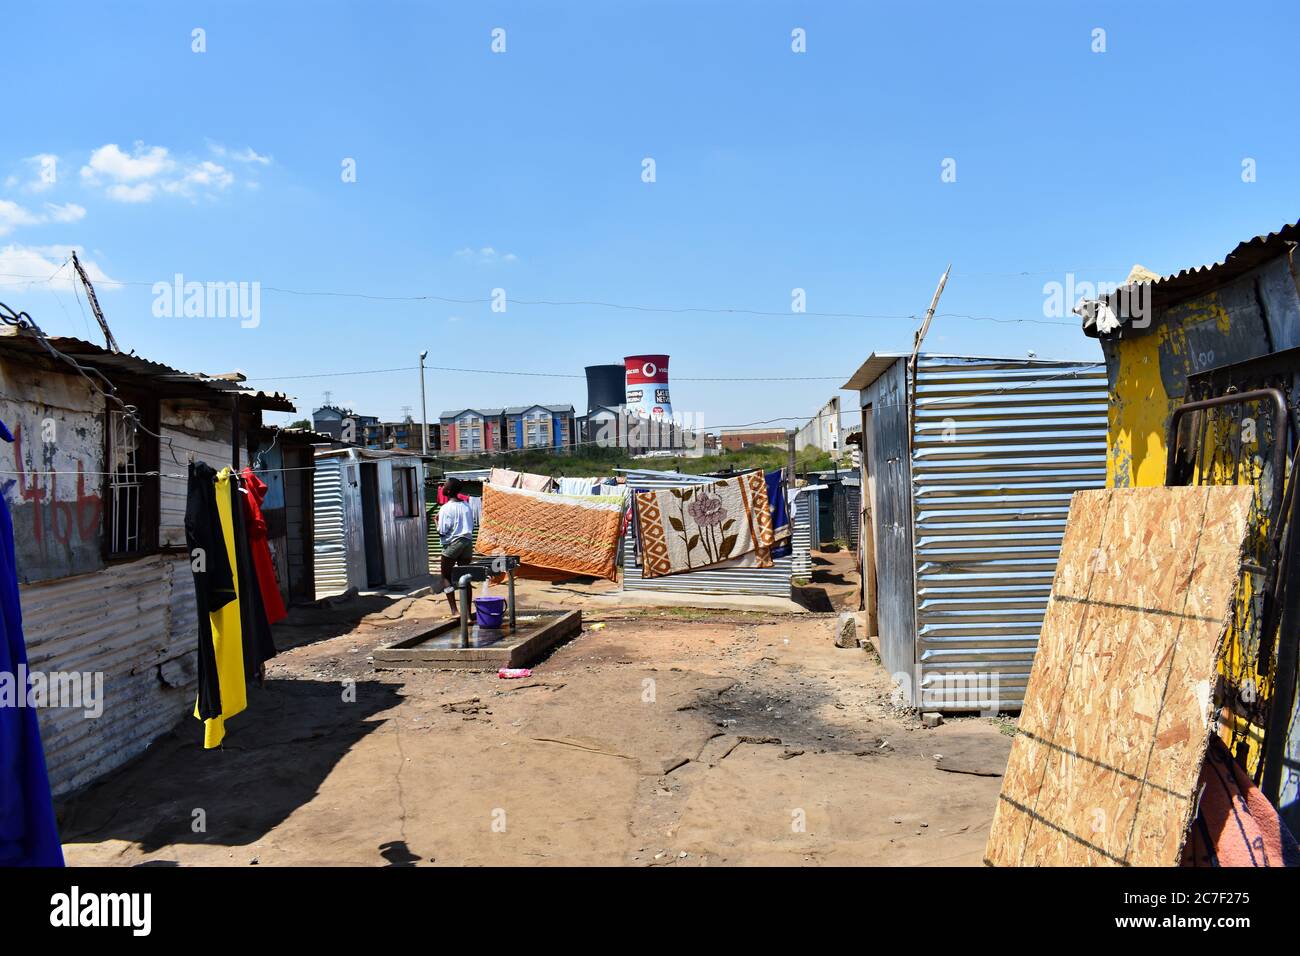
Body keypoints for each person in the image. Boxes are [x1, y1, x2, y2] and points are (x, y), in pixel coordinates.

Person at [437, 478, 476, 613]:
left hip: (453, 544)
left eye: (444, 485)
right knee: (465, 578)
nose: (442, 487)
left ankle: (455, 611)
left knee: (445, 577)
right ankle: (468, 615)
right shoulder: (467, 506)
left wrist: (437, 522)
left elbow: (442, 532)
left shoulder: (445, 508)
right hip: (467, 543)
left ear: (447, 491)